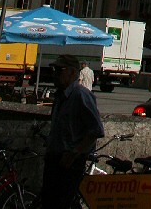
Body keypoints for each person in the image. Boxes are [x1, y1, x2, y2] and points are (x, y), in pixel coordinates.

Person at [41, 54, 104, 209]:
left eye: (59, 70)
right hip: (55, 159)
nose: (55, 74)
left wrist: (74, 153)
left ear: (71, 72)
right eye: (54, 70)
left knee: (61, 202)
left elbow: (96, 130)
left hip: (69, 162)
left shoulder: (80, 95)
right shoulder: (60, 96)